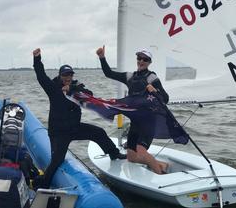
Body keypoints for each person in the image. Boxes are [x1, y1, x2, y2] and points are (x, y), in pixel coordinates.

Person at [32, 48, 126, 189]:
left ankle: (114, 154)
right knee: (57, 160)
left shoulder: (76, 88)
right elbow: (41, 76)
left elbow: (90, 94)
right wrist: (37, 59)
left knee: (99, 132)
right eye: (65, 75)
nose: (67, 77)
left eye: (70, 75)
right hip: (58, 133)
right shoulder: (53, 88)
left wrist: (72, 88)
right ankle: (44, 185)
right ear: (60, 76)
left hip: (75, 128)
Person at [96, 46, 169, 174]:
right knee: (131, 157)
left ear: (149, 62)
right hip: (135, 122)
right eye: (139, 58)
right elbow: (109, 73)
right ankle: (161, 165)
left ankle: (161, 175)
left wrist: (155, 91)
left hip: (149, 122)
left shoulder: (152, 78)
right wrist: (102, 58)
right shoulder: (130, 77)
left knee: (140, 150)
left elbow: (165, 99)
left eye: (145, 59)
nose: (141, 61)